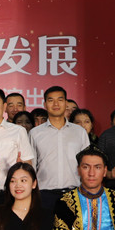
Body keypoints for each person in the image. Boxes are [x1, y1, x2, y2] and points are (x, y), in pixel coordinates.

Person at [30, 86, 89, 214]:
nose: (56, 104)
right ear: (45, 104)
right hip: (44, 195)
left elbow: (86, 164)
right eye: (51, 100)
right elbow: (31, 167)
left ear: (66, 103)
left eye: (60, 100)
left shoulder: (79, 132)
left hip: (74, 194)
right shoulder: (35, 133)